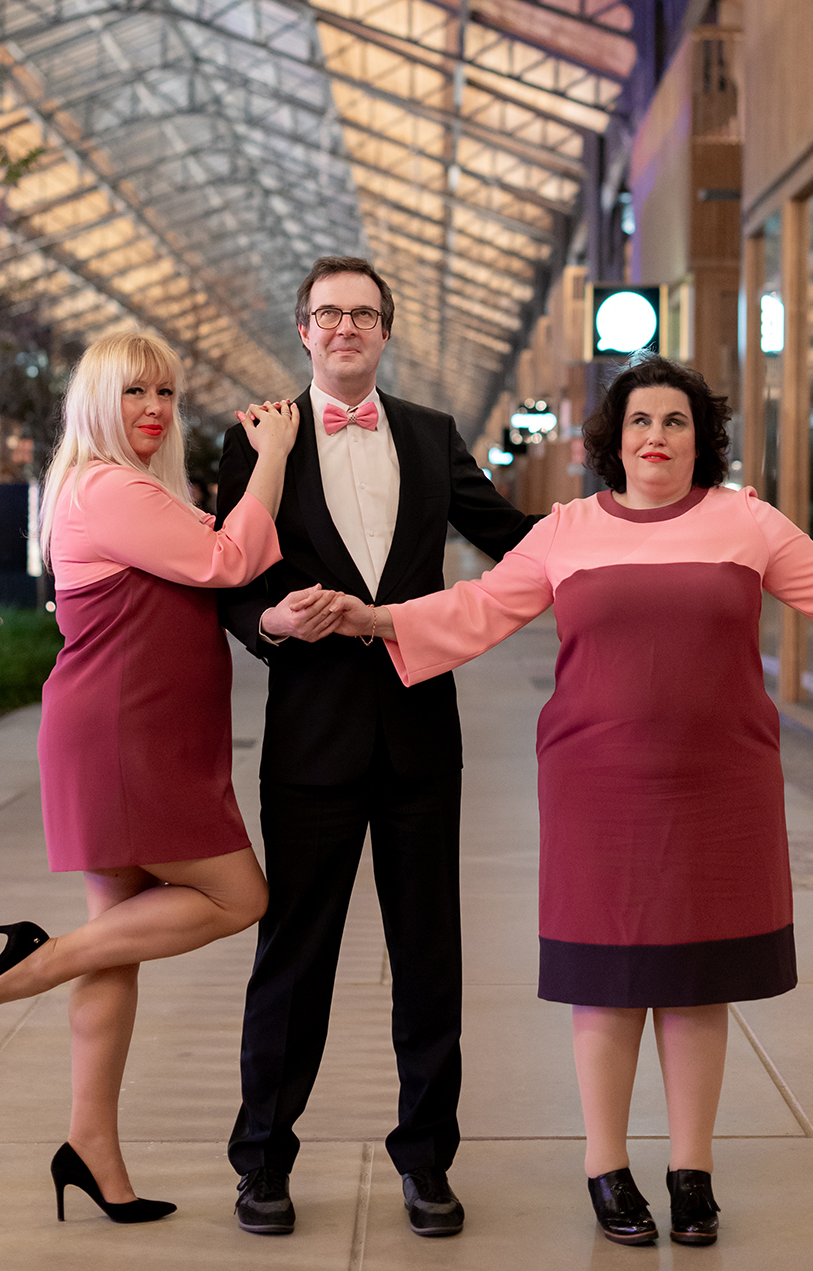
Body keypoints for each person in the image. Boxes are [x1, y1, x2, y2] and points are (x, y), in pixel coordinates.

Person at [329, 355, 813, 1247]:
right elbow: (479, 607)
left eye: (675, 422)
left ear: (701, 439)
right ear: (611, 440)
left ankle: (692, 1170)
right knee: (609, 984)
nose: (656, 437)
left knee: (701, 984)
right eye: (639, 422)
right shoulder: (567, 530)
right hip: (597, 786)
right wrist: (375, 618)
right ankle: (605, 1166)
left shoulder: (747, 522)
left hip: (721, 784)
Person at [216, 256, 537, 1239]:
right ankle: (262, 1162)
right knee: (293, 959)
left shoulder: (435, 436)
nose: (345, 327)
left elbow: (516, 540)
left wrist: (628, 535)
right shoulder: (258, 439)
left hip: (417, 741)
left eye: (363, 314)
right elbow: (228, 577)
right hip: (309, 742)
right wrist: (273, 623)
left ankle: (427, 1163)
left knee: (428, 960)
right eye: (328, 314)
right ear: (304, 331)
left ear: (384, 332)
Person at [0, 331, 297, 1225]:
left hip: (146, 733)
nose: (153, 410)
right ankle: (27, 969)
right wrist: (270, 461)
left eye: (165, 394)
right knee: (240, 896)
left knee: (118, 945)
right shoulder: (108, 488)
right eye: (134, 393)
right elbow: (230, 559)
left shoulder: (130, 488)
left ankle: (92, 1147)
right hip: (125, 739)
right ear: (95, 401)